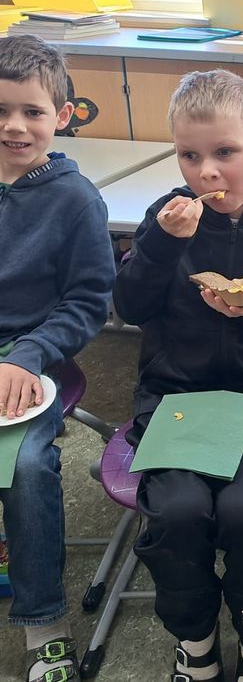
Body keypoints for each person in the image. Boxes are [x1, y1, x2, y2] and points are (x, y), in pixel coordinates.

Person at [113, 69, 243, 682]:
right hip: (174, 394)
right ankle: (195, 637)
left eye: (225, 152)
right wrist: (160, 245)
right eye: (189, 155)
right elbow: (129, 307)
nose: (206, 172)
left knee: (242, 512)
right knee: (178, 511)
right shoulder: (164, 221)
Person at [0, 34, 114, 682]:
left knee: (27, 468)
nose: (14, 126)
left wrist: (29, 354)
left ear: (62, 116)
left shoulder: (75, 200)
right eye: (0, 111)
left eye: (32, 112)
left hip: (31, 354)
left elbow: (88, 302)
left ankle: (43, 622)